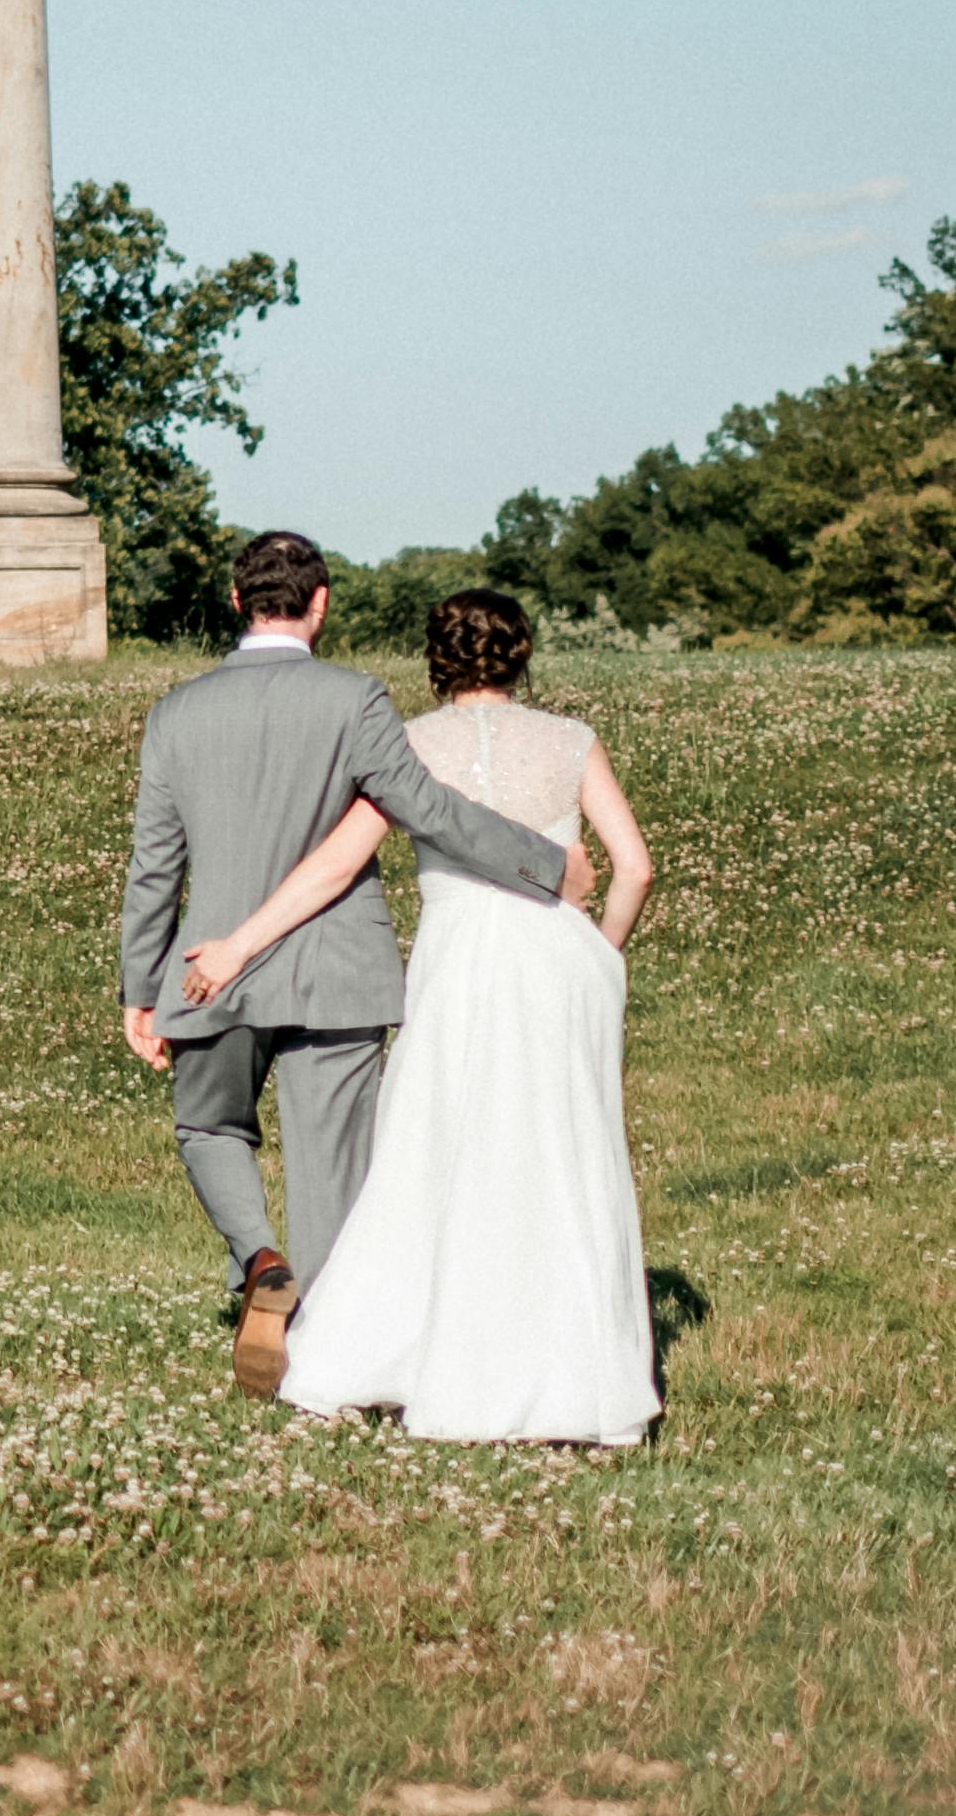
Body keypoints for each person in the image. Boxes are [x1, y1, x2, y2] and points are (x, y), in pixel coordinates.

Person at [177, 584, 660, 1443]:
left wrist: (236, 946)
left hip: (460, 965)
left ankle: (422, 1350)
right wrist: (601, 958)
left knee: (441, 1149)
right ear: (520, 652)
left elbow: (330, 867)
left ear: (435, 658)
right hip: (559, 959)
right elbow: (633, 867)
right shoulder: (570, 741)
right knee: (559, 1150)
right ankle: (568, 1368)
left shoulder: (409, 746)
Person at [117, 530, 578, 1396]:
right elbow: (427, 808)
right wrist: (544, 862)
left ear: (234, 599)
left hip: (206, 967)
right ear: (319, 601)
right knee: (332, 1168)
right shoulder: (354, 698)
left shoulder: (175, 711)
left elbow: (154, 862)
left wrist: (140, 987)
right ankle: (324, 1353)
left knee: (208, 1128)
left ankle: (258, 1257)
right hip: (337, 966)